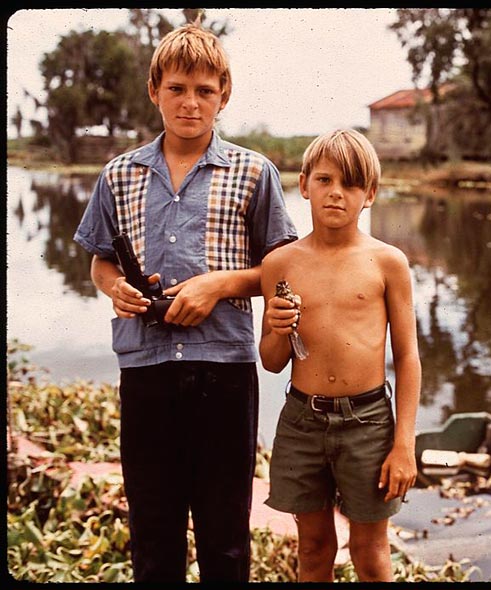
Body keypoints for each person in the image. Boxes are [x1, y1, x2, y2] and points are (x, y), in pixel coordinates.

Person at [73, 22, 297, 582]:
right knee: (154, 534)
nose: (190, 103)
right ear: (154, 91)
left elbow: (284, 270)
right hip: (145, 371)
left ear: (224, 94)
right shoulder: (118, 174)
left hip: (224, 369)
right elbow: (99, 260)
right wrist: (114, 287)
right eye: (176, 89)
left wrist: (218, 285)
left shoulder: (254, 172)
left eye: (203, 91)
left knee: (224, 540)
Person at [259, 129, 421, 582]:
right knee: (313, 548)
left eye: (350, 184)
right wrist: (275, 326)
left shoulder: (387, 262)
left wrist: (404, 444)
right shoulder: (280, 264)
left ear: (369, 194)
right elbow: (271, 360)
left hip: (368, 424)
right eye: (325, 180)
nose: (336, 194)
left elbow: (408, 357)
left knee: (370, 553)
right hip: (301, 422)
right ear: (303, 183)